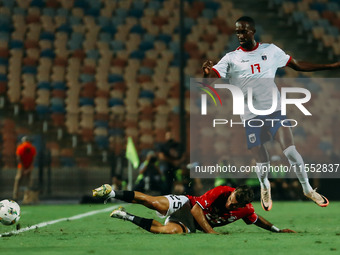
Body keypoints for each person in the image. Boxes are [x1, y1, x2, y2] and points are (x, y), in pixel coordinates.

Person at [202, 16, 336, 210]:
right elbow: (210, 81)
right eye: (237, 31)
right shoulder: (231, 58)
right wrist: (206, 75)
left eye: (244, 31)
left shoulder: (271, 51)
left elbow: (297, 64)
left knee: (290, 150)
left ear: (253, 31)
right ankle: (265, 185)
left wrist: (330, 66)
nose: (240, 35)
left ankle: (307, 189)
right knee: (262, 159)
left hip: (274, 109)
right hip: (249, 115)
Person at [92, 184, 295, 234]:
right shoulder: (222, 190)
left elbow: (256, 218)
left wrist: (277, 230)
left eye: (234, 205)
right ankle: (111, 193)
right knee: (153, 202)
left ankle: (124, 215)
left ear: (242, 206)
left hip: (190, 222)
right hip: (188, 204)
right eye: (231, 199)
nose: (229, 204)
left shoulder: (245, 210)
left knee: (168, 232)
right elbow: (197, 210)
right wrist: (212, 232)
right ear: (232, 192)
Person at [13, 136, 37, 201]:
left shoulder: (20, 147)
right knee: (28, 183)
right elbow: (33, 159)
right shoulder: (32, 148)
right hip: (29, 167)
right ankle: (27, 198)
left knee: (17, 181)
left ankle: (15, 196)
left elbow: (18, 158)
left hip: (21, 167)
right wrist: (28, 169)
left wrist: (23, 168)